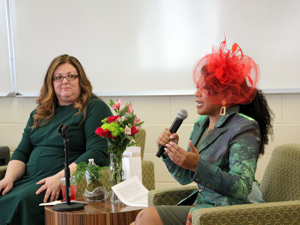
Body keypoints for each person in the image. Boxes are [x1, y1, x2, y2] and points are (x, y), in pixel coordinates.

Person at [131, 38, 273, 225]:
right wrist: (170, 151)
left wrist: (197, 166)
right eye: (197, 87)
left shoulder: (244, 127)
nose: (197, 93)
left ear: (224, 95)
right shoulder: (200, 124)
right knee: (141, 219)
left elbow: (242, 188)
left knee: (144, 218)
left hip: (226, 211)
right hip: (202, 206)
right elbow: (183, 178)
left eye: (205, 88)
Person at [0, 54, 112, 225]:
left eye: (71, 76)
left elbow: (97, 153)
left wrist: (61, 178)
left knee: (23, 200)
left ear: (80, 79)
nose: (64, 81)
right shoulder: (41, 112)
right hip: (30, 179)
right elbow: (22, 152)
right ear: (51, 83)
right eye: (58, 77)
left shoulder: (94, 107)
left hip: (58, 180)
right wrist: (8, 178)